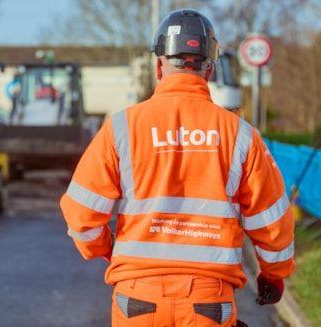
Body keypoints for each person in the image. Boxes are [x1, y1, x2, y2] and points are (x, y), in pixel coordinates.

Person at [60, 9, 295, 327]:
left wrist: (106, 248)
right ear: (209, 70)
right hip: (209, 303)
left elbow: (81, 215)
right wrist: (273, 274)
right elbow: (273, 223)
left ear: (158, 66)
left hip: (137, 299)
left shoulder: (121, 127)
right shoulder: (240, 134)